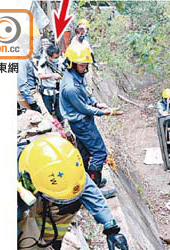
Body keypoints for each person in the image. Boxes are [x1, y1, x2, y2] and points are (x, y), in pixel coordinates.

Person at [17, 136, 129, 250]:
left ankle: (52, 242)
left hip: (37, 205)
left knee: (69, 206)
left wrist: (111, 227)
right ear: (30, 182)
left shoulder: (59, 162)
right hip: (21, 208)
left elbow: (88, 190)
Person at [59, 44, 112, 188]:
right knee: (99, 153)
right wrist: (101, 112)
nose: (86, 69)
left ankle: (84, 181)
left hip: (80, 121)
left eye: (86, 65)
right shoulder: (70, 87)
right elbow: (82, 107)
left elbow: (85, 93)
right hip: (82, 122)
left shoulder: (76, 75)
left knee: (84, 152)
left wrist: (95, 103)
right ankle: (94, 185)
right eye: (83, 66)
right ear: (72, 64)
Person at [38, 45, 65, 124]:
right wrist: (53, 75)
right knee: (48, 112)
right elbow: (40, 76)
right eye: (54, 57)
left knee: (60, 112)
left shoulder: (60, 60)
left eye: (57, 57)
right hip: (47, 91)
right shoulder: (43, 62)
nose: (56, 59)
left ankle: (63, 128)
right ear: (49, 56)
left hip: (57, 90)